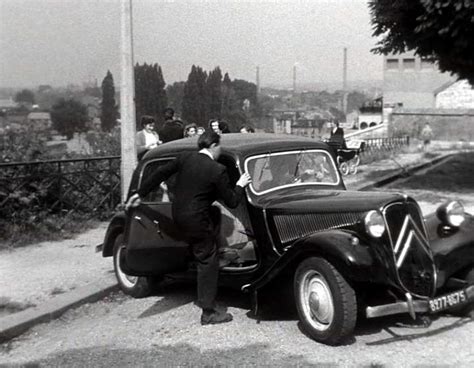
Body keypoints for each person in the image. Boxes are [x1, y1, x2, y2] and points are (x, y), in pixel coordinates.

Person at [126, 131, 252, 325]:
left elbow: (160, 173)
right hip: (196, 220)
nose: (219, 150)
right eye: (219, 147)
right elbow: (233, 201)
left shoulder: (185, 157)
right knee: (208, 259)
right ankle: (208, 312)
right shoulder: (217, 170)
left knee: (213, 216)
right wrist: (240, 184)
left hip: (178, 214)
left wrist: (140, 193)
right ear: (214, 146)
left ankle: (195, 261)